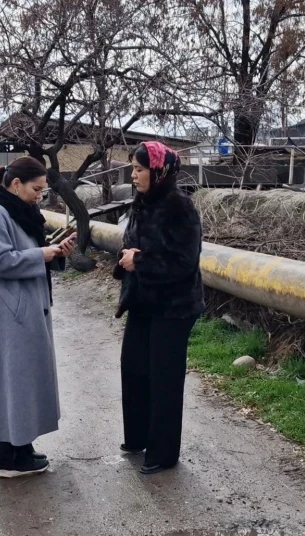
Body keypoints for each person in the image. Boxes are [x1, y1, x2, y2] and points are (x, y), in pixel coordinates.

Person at [0, 156, 76, 478]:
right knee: (12, 382)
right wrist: (42, 254)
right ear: (16, 184)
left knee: (22, 381)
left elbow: (26, 251)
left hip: (22, 308)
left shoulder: (19, 210)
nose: (39, 196)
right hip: (9, 312)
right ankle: (8, 459)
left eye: (43, 190)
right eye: (36, 189)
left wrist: (55, 252)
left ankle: (22, 448)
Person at [115, 141, 205, 475]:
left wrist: (139, 261)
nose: (133, 175)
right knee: (134, 367)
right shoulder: (141, 203)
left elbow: (184, 261)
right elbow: (131, 244)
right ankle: (138, 437)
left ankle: (163, 453)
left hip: (174, 306)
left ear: (158, 171)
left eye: (139, 169)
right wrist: (127, 259)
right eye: (133, 169)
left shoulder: (179, 207)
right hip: (142, 301)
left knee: (164, 378)